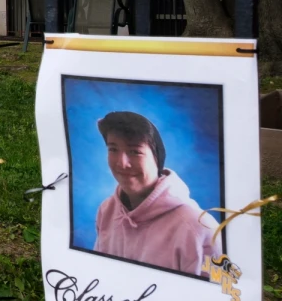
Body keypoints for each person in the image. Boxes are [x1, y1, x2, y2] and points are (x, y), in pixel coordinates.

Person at [92, 111, 218, 275]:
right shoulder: (107, 210)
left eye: (135, 151)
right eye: (113, 149)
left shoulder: (198, 228)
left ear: (157, 158)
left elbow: (216, 297)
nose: (122, 163)